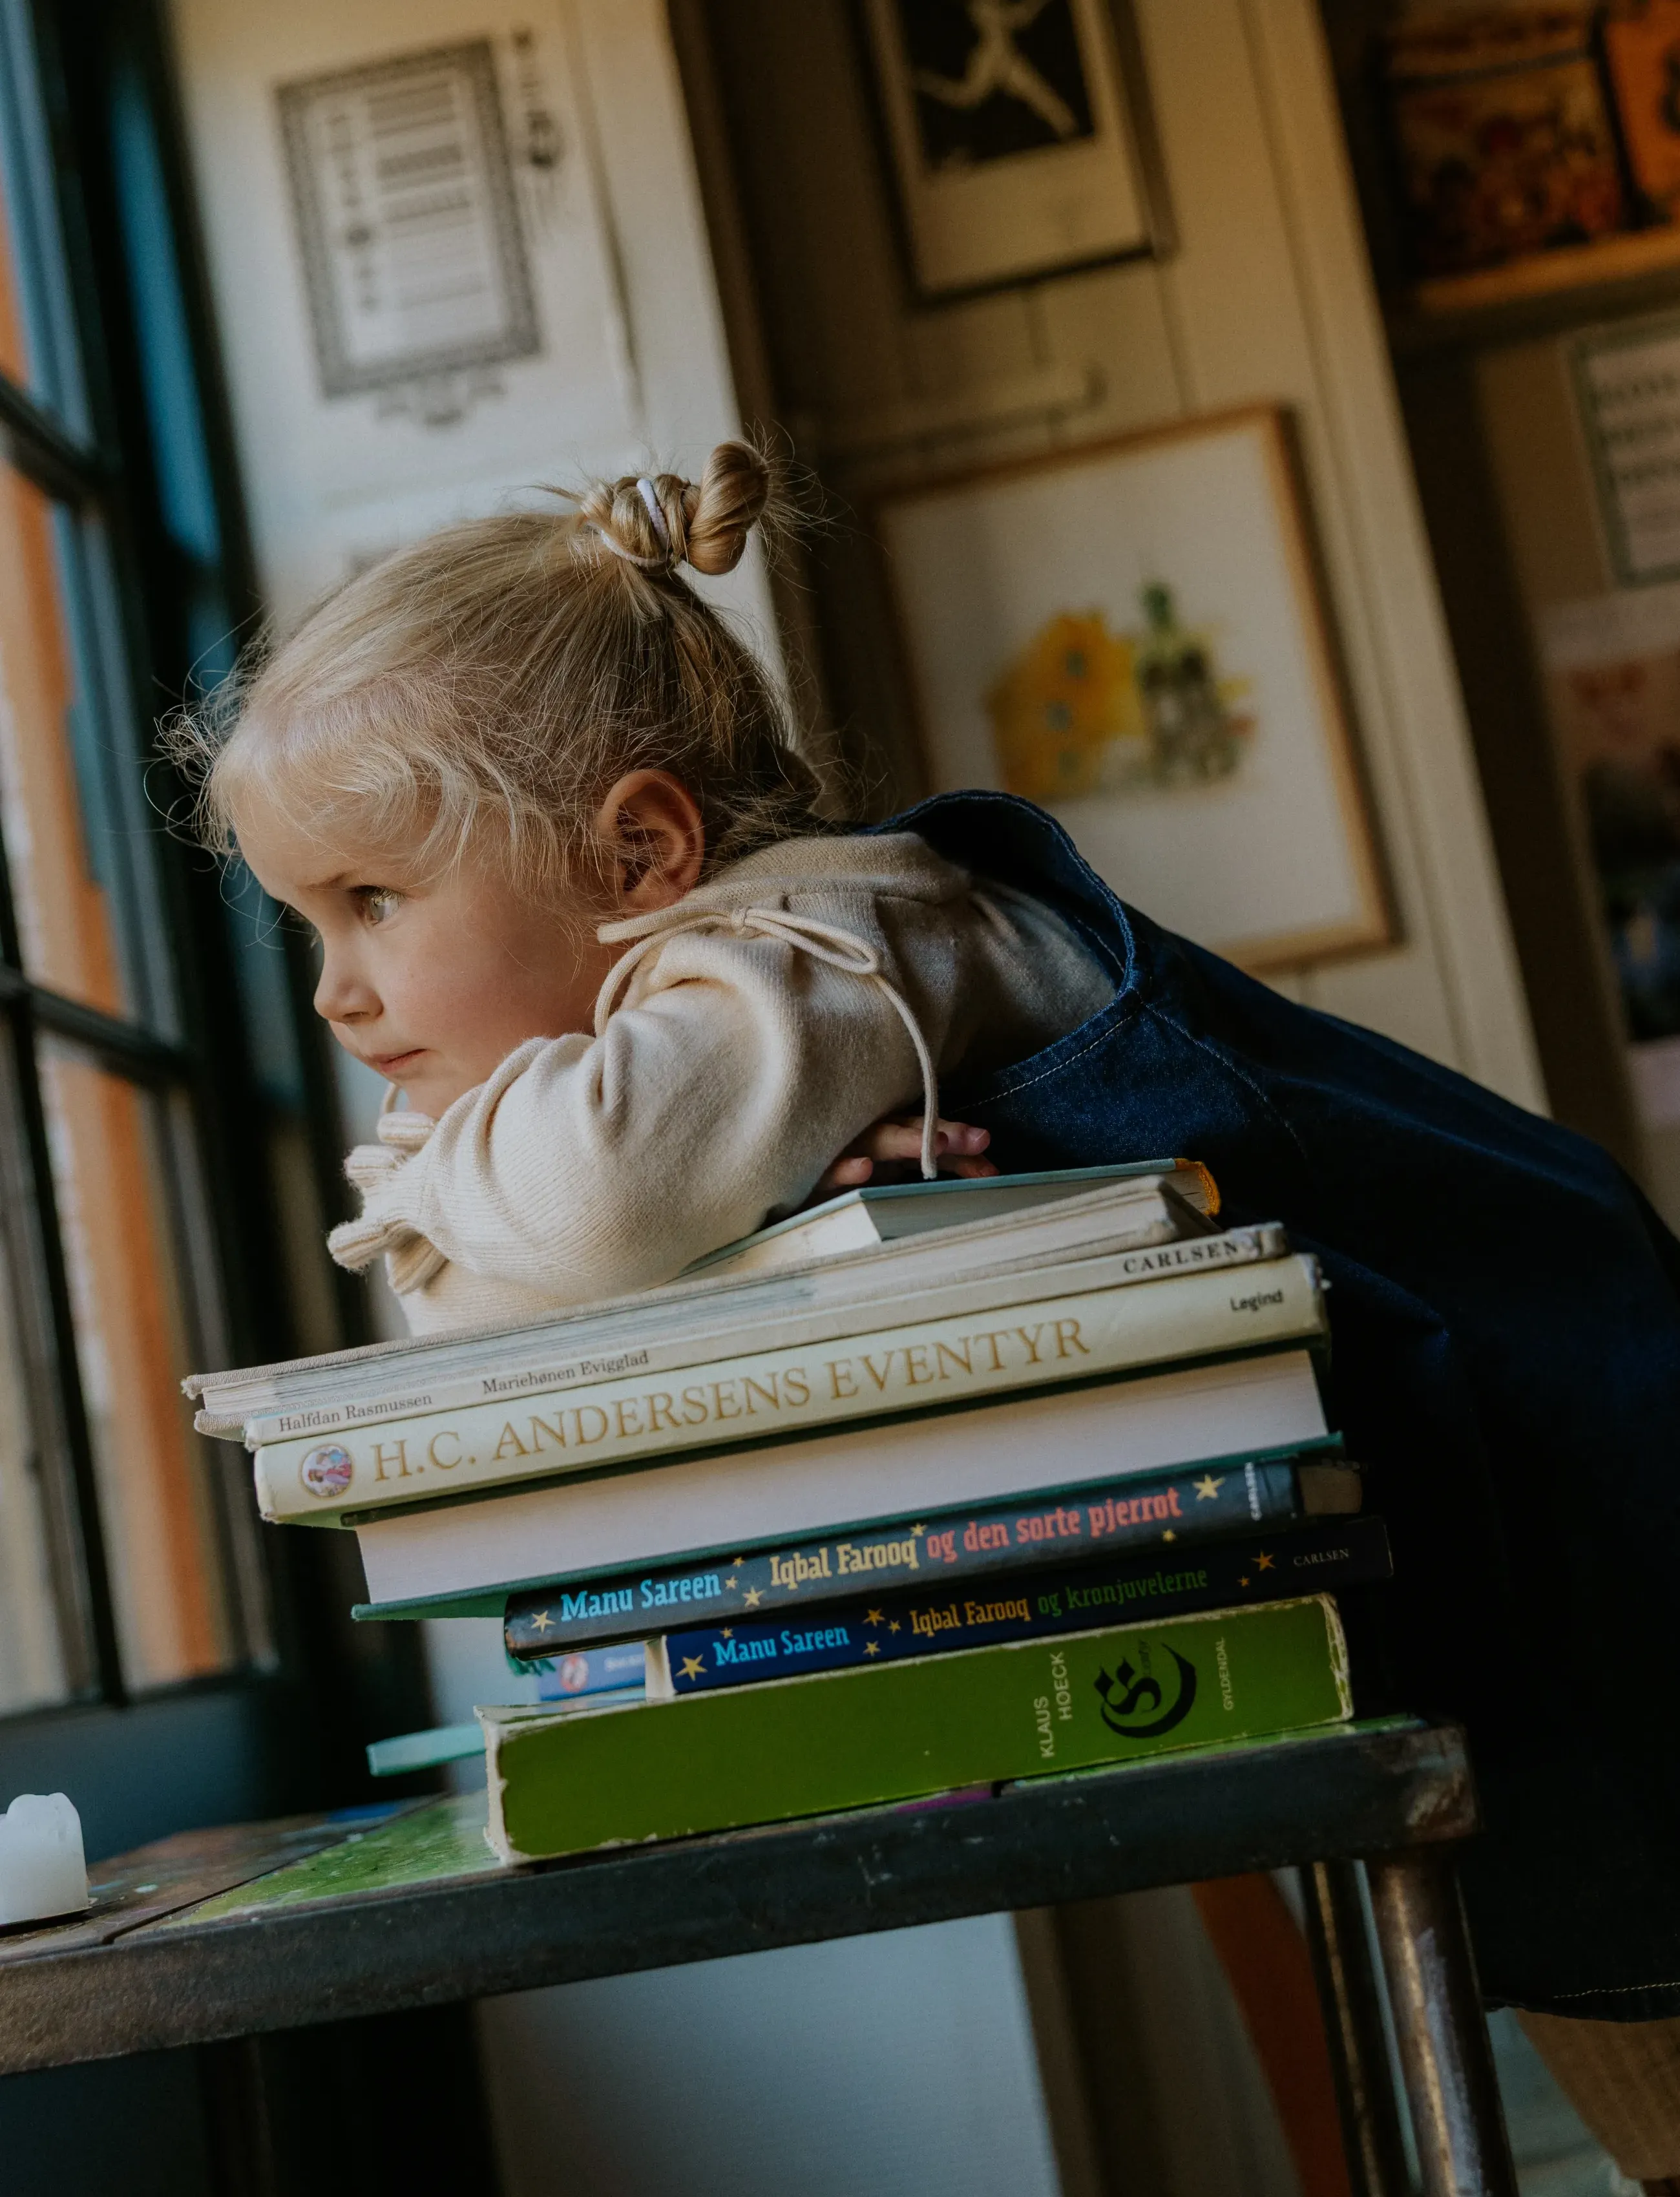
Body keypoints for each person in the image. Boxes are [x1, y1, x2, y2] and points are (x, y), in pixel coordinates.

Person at [171, 442, 1680, 2190]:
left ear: (646, 849)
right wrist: (482, 1211)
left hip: (1568, 1420)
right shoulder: (724, 1002)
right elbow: (484, 1320)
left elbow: (578, 1221)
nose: (339, 994)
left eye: (370, 904)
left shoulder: (821, 947)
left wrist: (430, 1184)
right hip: (1455, 1499)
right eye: (307, 924)